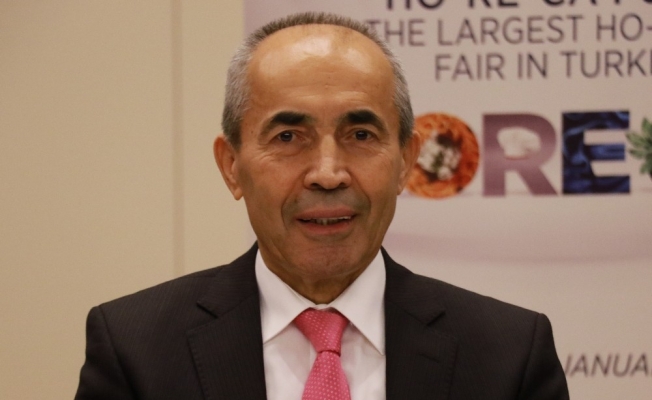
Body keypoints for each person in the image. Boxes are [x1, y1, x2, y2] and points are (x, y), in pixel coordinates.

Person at [75, 12, 569, 400]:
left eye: (361, 135)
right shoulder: (136, 351)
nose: (328, 174)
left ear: (405, 161)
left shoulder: (509, 355)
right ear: (231, 166)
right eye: (289, 137)